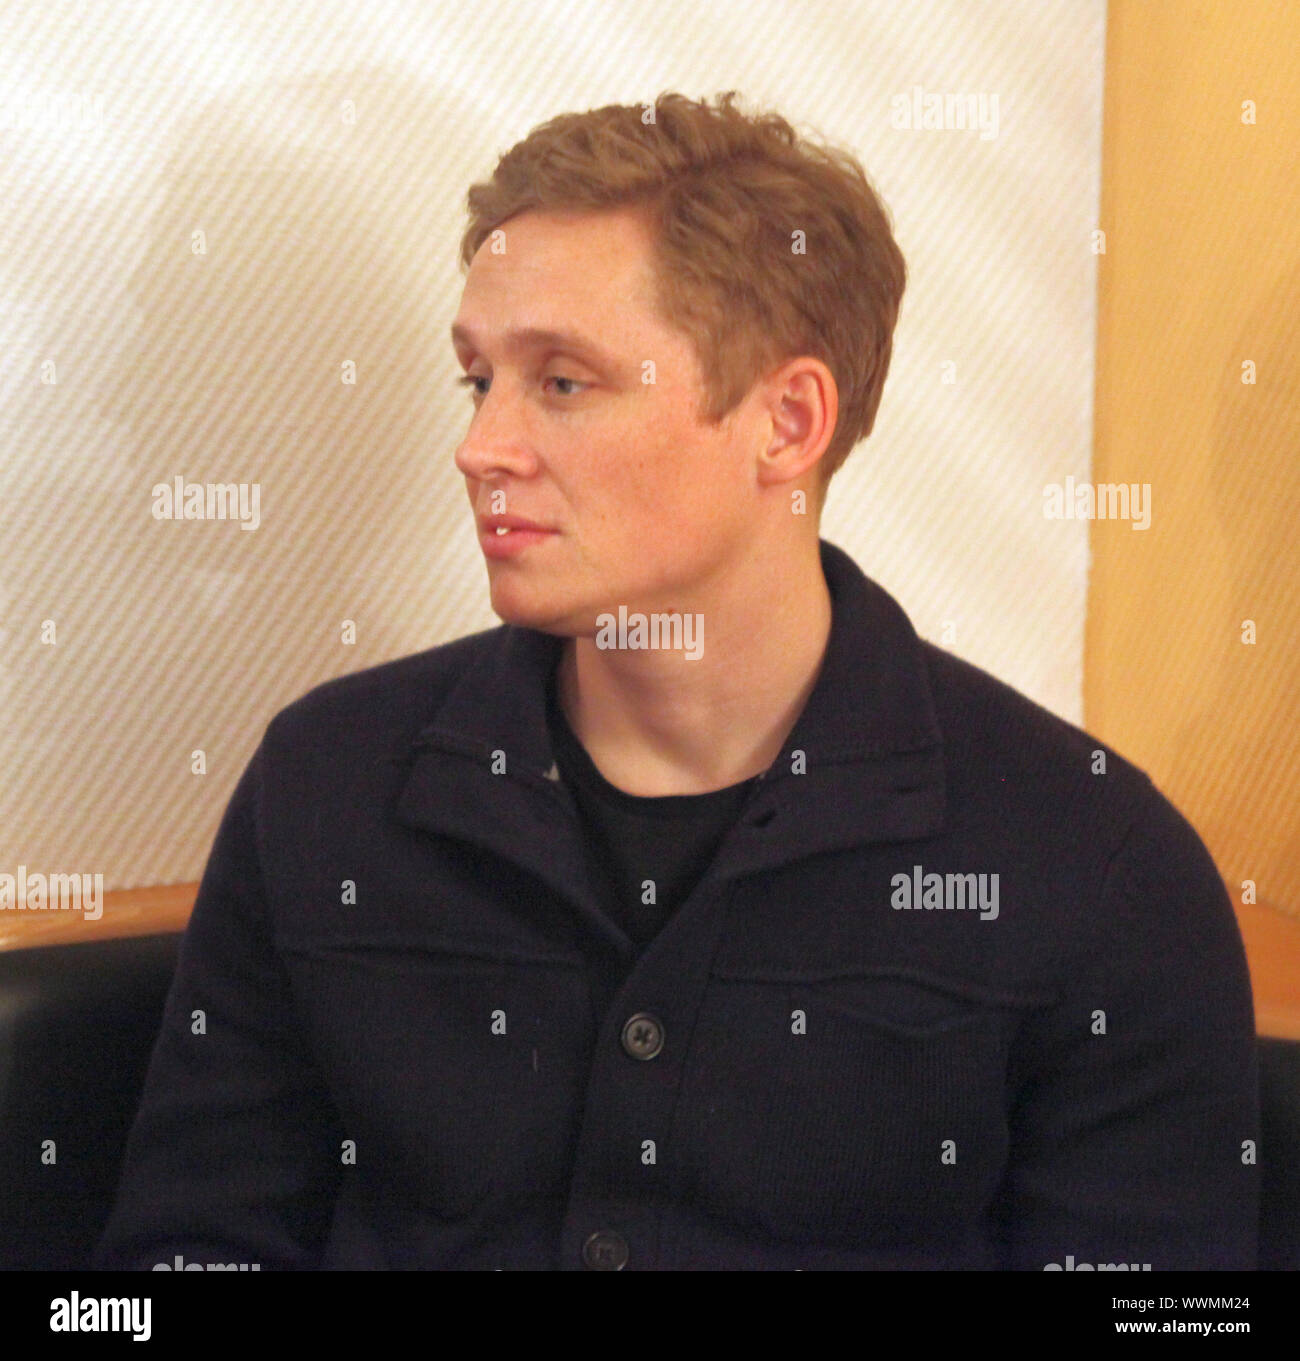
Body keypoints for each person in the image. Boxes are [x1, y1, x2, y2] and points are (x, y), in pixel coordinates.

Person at [95, 91, 1258, 1270]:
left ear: (785, 421)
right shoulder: (328, 782)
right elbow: (187, 1254)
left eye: (560, 381)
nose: (480, 445)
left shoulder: (1091, 863)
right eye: (476, 379)